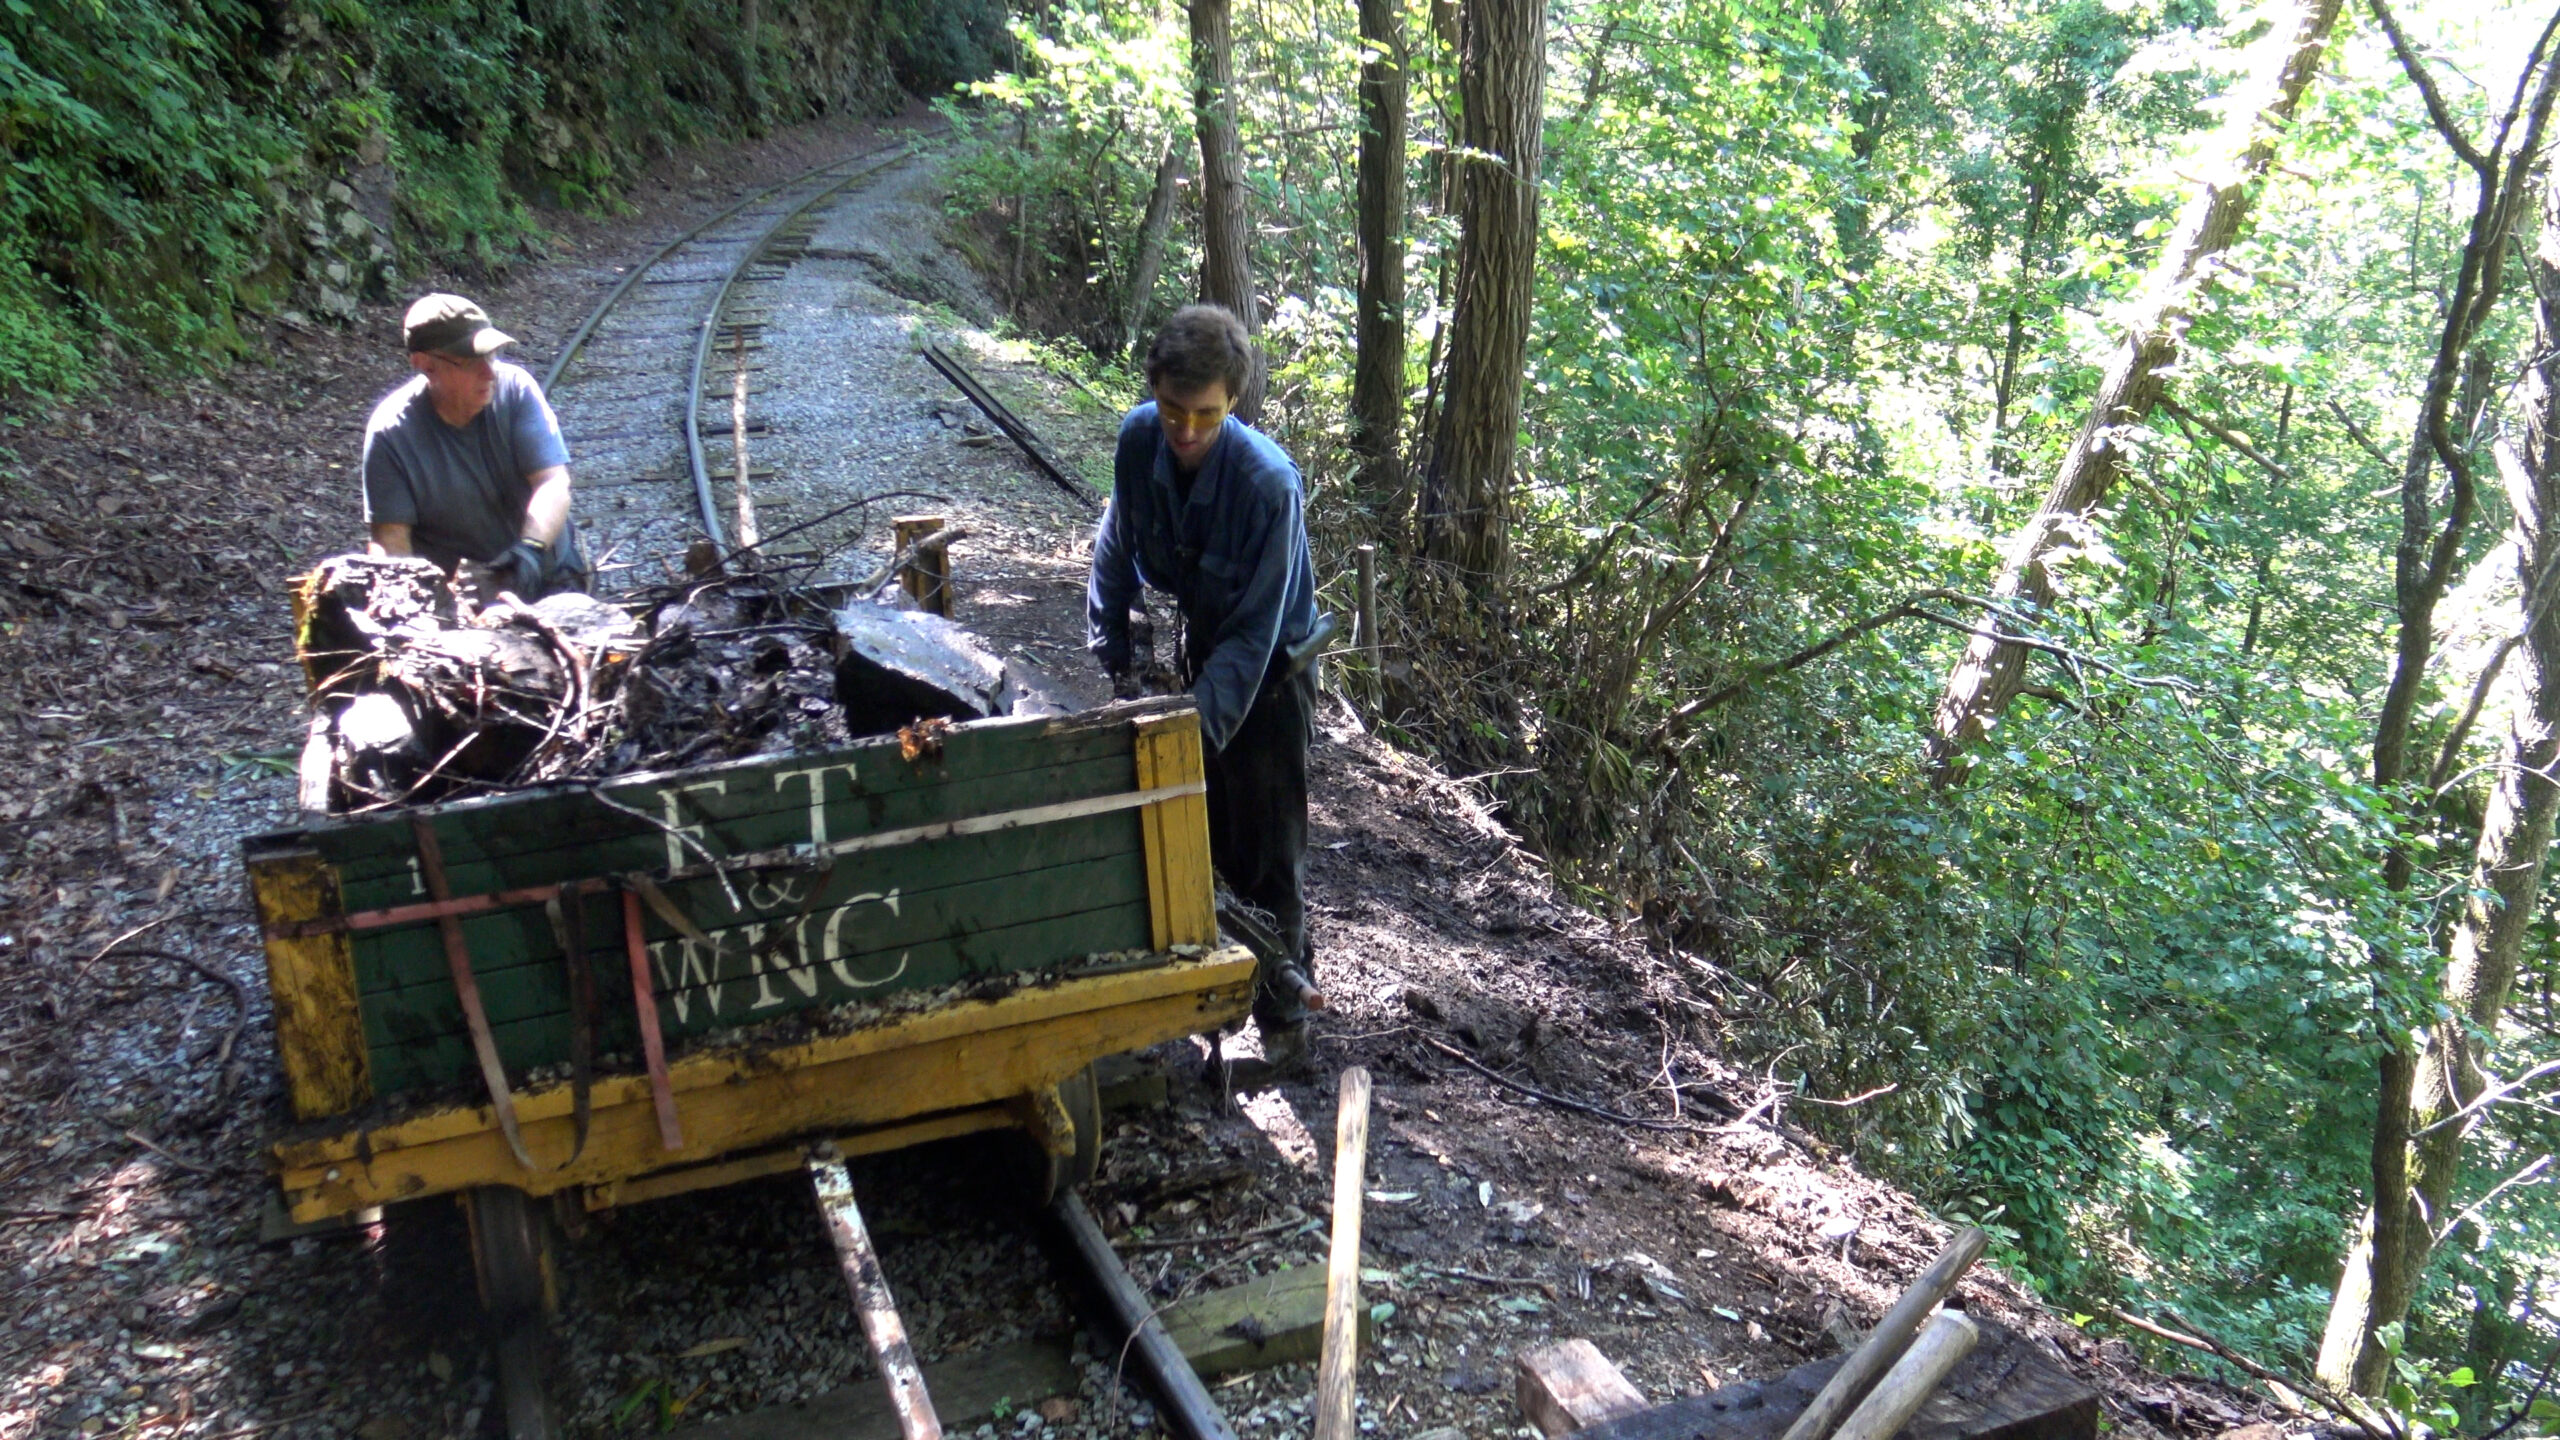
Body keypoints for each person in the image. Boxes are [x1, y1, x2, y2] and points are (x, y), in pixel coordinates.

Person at [1088, 304, 1322, 1075]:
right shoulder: (1137, 440)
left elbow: (1254, 641)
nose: (1186, 432)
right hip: (1200, 644)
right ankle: (1201, 993)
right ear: (1153, 393)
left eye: (1207, 416)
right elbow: (1117, 546)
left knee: (1263, 852)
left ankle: (1287, 1018)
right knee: (1191, 838)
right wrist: (1116, 655)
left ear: (1233, 405)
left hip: (1271, 673)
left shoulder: (1268, 488)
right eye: (1173, 412)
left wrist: (1186, 735)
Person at [361, 293, 590, 601]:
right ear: (425, 365)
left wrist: (529, 553)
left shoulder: (516, 389)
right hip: (462, 598)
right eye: (471, 361)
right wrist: (412, 603)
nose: (490, 372)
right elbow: (391, 541)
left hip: (548, 571)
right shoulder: (391, 432)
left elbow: (552, 482)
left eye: (492, 356)